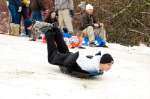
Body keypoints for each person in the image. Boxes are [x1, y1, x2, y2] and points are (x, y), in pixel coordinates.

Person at [43, 25, 114, 78]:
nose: (110, 67)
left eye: (110, 65)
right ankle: (49, 34)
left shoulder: (98, 62)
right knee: (52, 58)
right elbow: (80, 64)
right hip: (72, 59)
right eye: (108, 65)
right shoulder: (92, 66)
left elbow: (96, 56)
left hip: (73, 56)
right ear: (103, 63)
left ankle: (56, 30)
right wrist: (67, 68)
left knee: (64, 51)